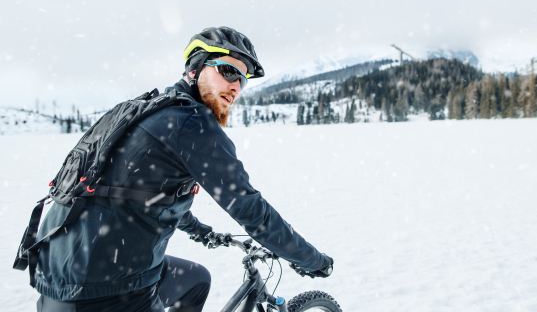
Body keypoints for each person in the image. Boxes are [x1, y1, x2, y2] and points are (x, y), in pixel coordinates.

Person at [34, 27, 333, 312]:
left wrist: (201, 231)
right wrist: (311, 260)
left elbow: (146, 194)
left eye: (243, 80)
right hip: (102, 290)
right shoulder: (191, 123)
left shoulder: (155, 109)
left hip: (60, 267)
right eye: (228, 71)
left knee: (195, 281)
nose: (236, 85)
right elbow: (250, 208)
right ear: (195, 68)